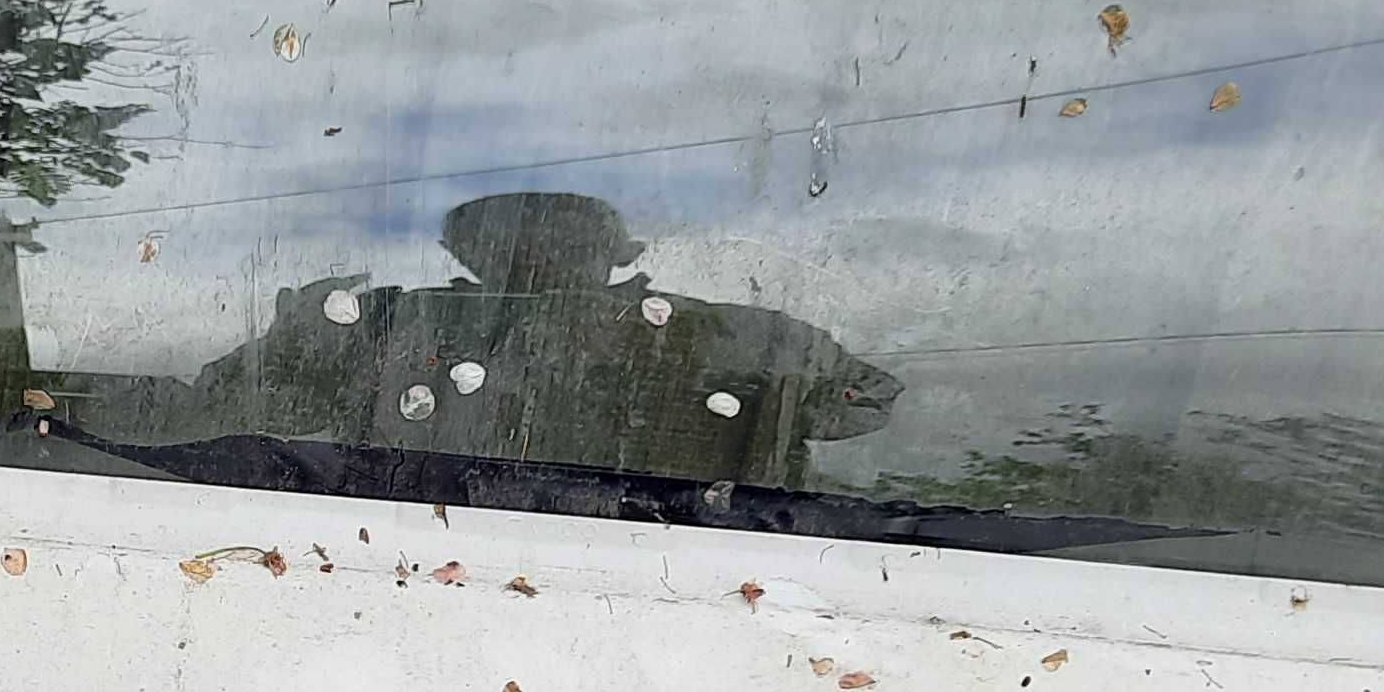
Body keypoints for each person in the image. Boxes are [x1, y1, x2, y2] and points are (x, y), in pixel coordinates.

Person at [192, 189, 897, 489]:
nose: (540, 258)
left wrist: (752, 386)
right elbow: (225, 403)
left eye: (563, 241)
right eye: (517, 244)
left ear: (616, 252)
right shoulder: (384, 323)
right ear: (469, 254)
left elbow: (864, 401)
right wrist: (296, 339)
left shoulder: (713, 333)